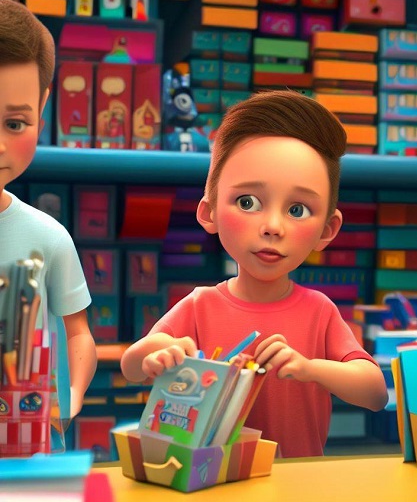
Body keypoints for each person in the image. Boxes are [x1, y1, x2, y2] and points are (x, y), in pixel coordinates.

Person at [121, 90, 388, 457]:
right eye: (248, 203)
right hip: (211, 481)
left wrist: (310, 368)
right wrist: (160, 352)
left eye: (297, 209)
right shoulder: (201, 305)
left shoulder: (319, 311)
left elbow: (375, 392)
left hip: (298, 485)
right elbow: (132, 365)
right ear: (209, 212)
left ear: (327, 229)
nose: (273, 226)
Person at [0, 0, 96, 417]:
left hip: (28, 442)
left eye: (14, 123)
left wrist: (70, 399)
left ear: (41, 109)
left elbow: (78, 335)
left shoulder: (49, 238)